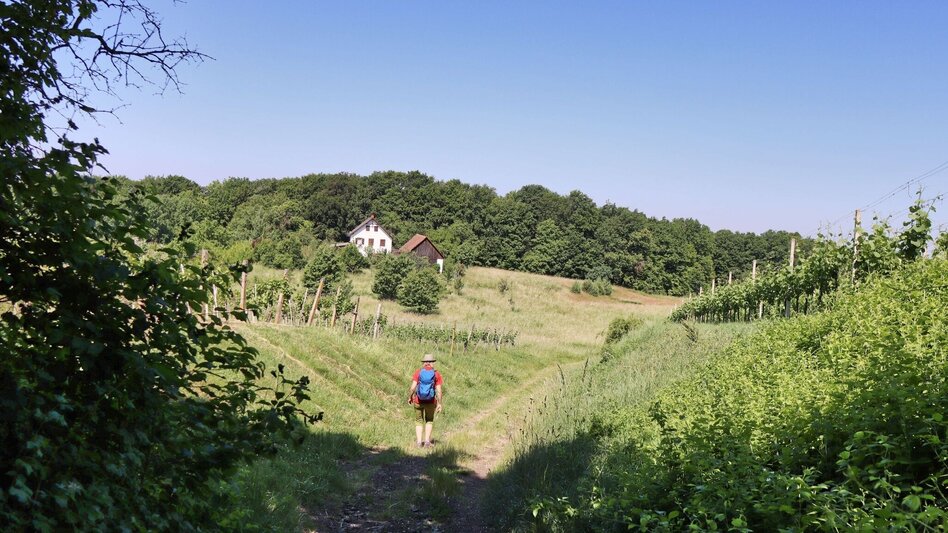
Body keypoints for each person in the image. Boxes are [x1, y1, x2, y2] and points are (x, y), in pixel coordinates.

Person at [408, 353, 443, 448]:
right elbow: (439, 391)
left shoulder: (418, 372)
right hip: (431, 402)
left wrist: (410, 397)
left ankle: (419, 442)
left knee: (419, 421)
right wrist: (439, 403)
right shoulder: (436, 374)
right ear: (432, 363)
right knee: (429, 420)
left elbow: (412, 388)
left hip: (418, 401)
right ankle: (427, 442)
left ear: (424, 363)